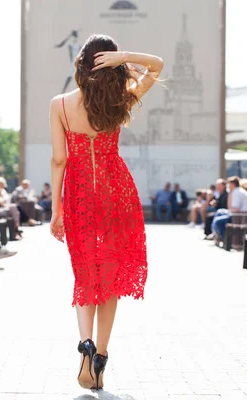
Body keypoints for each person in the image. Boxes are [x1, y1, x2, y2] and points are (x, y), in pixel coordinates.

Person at [49, 34, 163, 391]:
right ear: (111, 64)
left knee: (85, 274)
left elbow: (58, 160)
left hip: (80, 194)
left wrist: (56, 211)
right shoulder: (120, 99)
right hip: (116, 194)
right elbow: (157, 65)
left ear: (82, 63)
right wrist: (125, 56)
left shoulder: (61, 105)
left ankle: (84, 345)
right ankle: (100, 355)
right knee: (110, 277)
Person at [211, 176, 247, 242]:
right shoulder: (237, 191)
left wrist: (230, 194)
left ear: (233, 184)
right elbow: (230, 207)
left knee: (217, 221)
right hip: (239, 215)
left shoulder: (237, 192)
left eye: (229, 184)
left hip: (240, 217)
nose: (227, 186)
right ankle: (216, 235)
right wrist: (230, 194)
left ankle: (226, 240)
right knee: (219, 212)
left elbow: (235, 209)